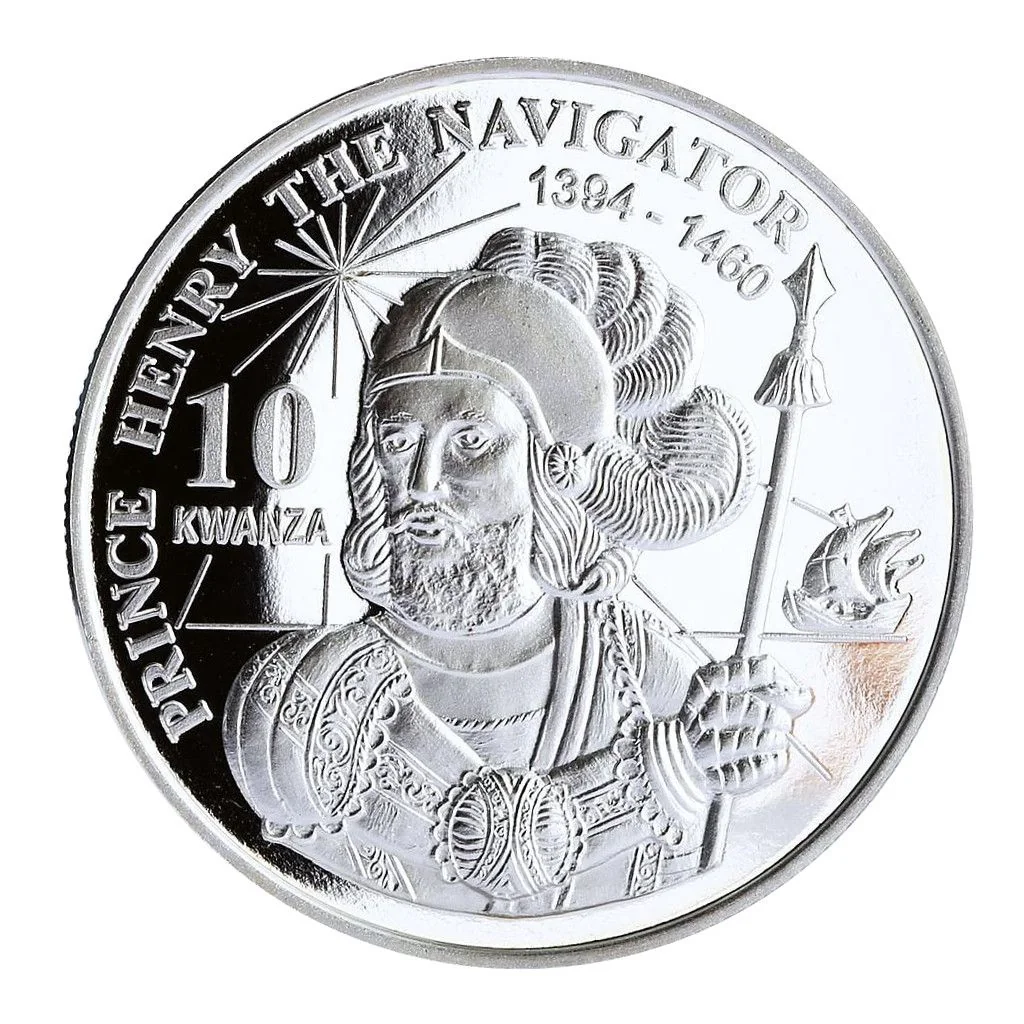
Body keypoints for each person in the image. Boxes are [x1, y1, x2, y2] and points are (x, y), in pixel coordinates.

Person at [223, 227, 811, 914]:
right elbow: (482, 857)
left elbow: (725, 786)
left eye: (470, 440)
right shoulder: (296, 698)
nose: (422, 482)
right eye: (398, 440)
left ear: (545, 465)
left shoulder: (631, 660)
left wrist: (749, 731)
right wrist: (672, 770)